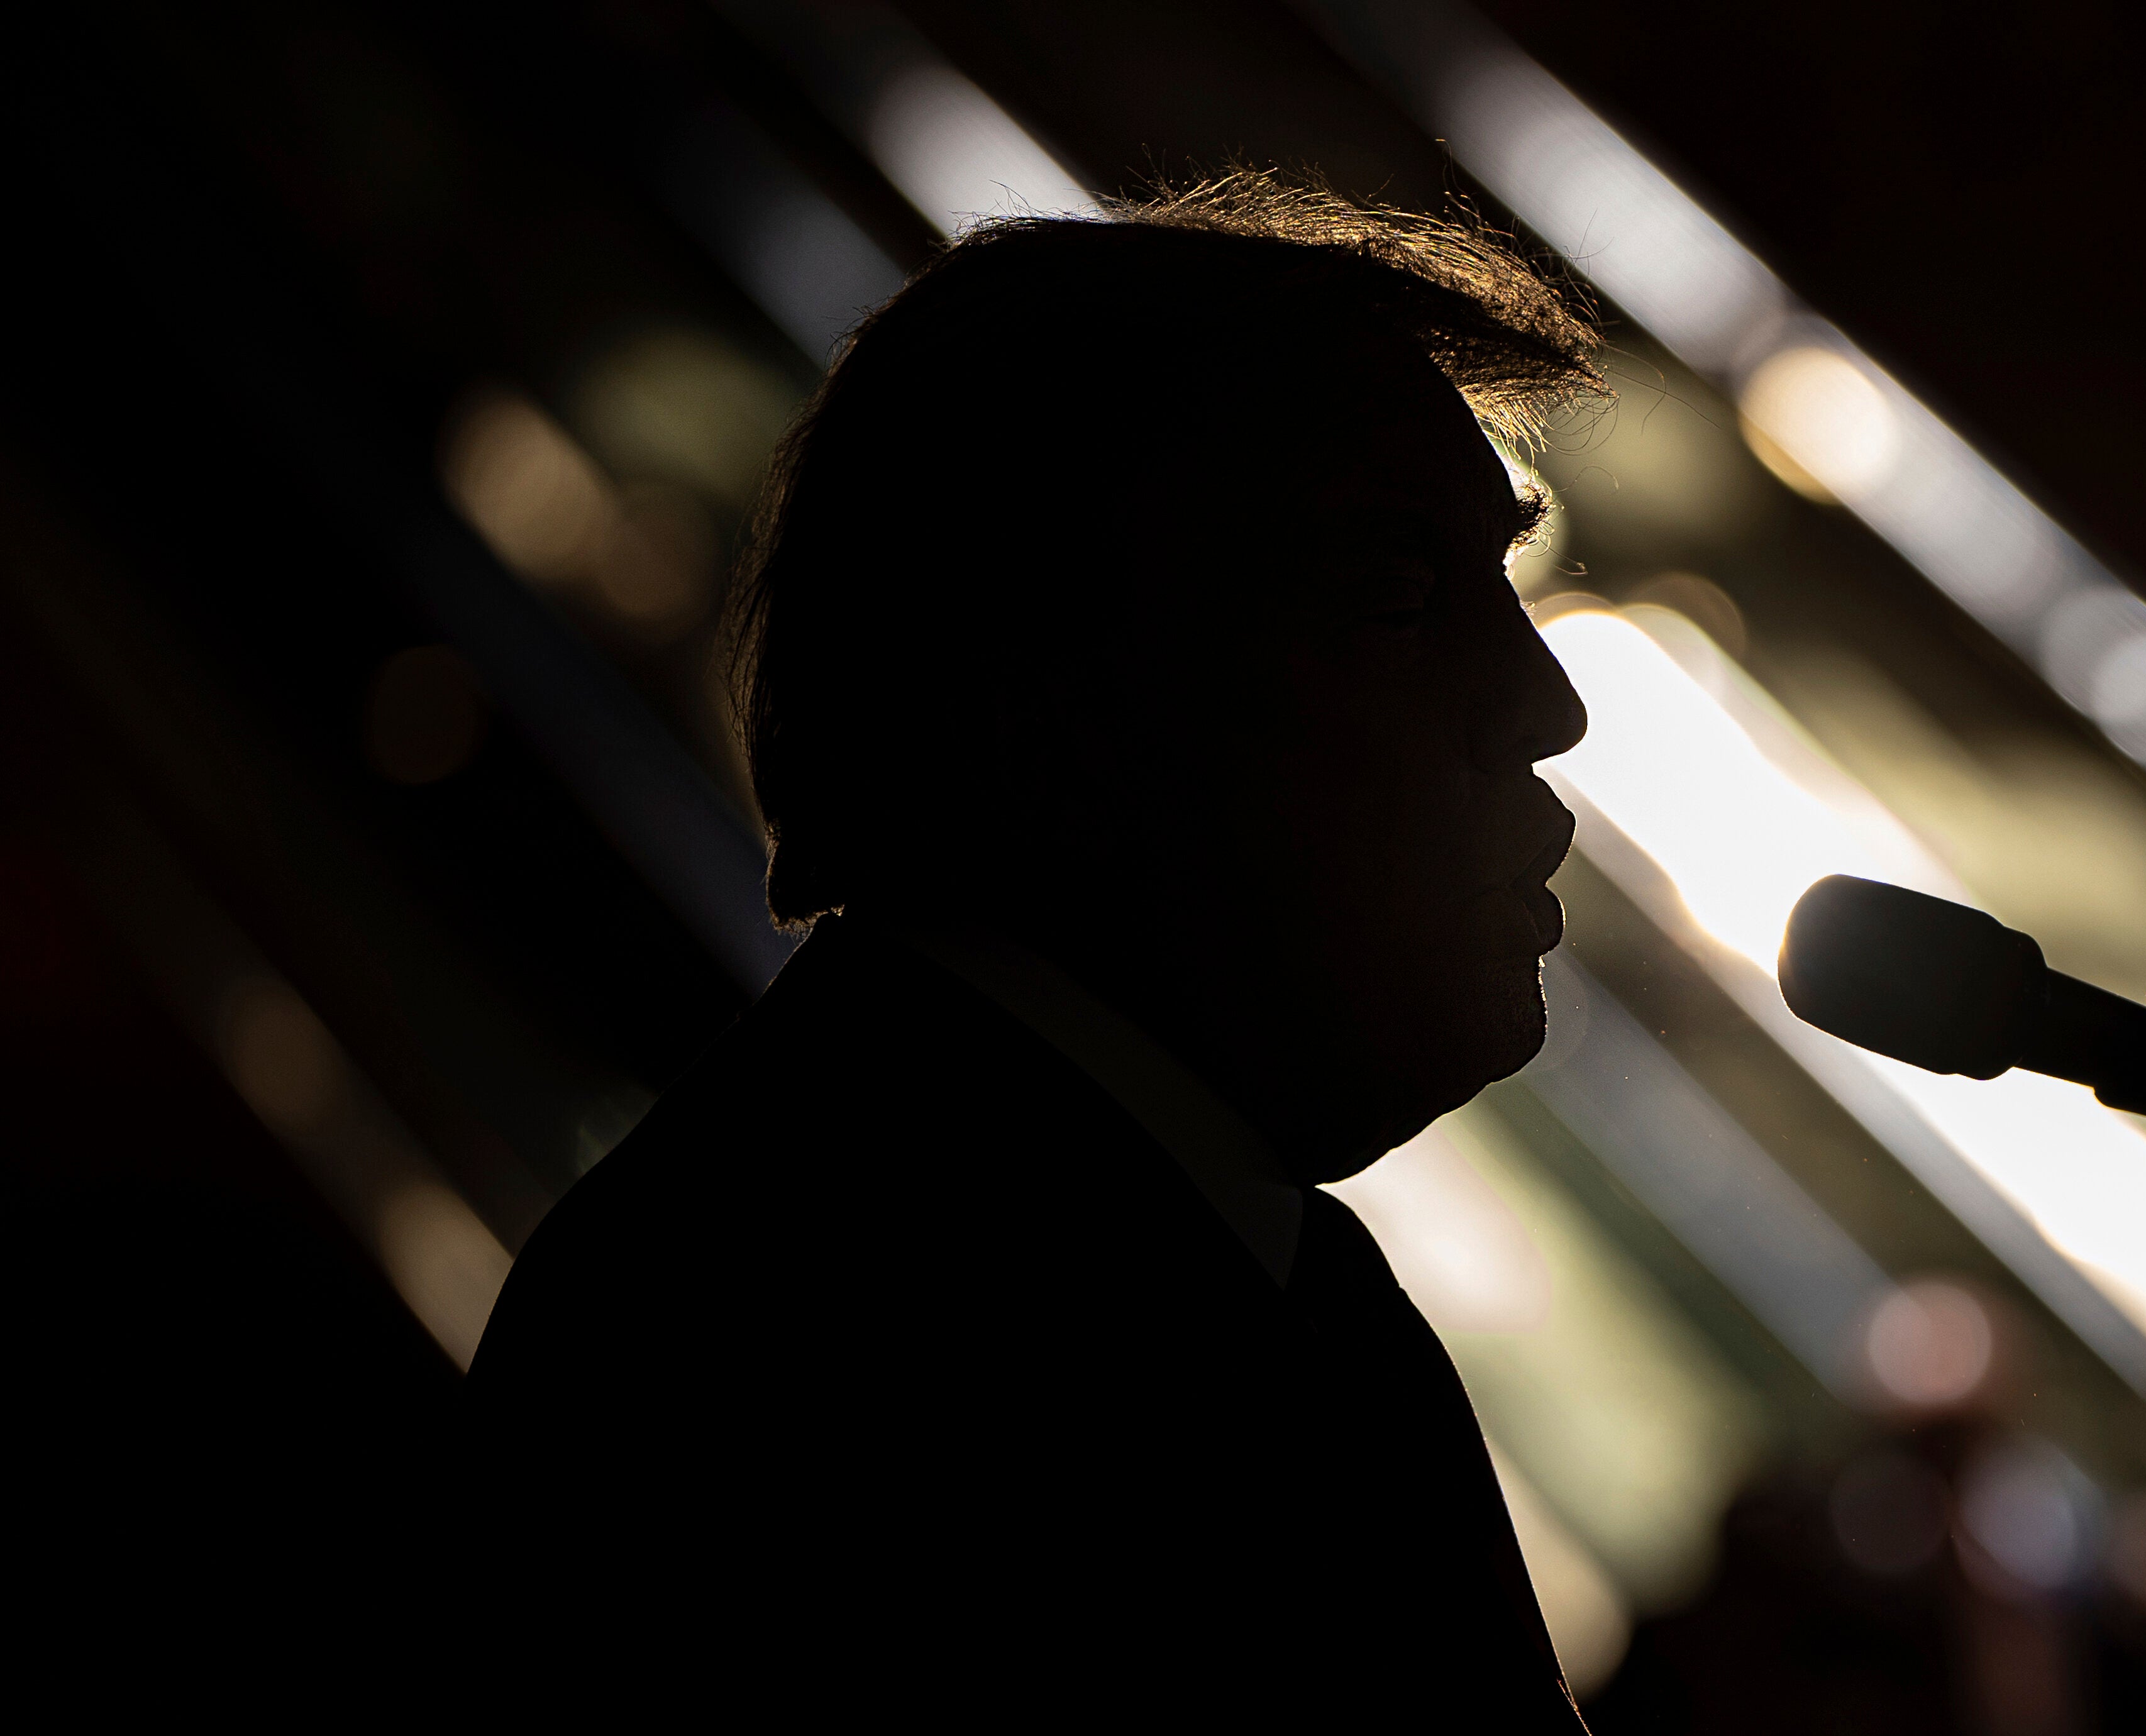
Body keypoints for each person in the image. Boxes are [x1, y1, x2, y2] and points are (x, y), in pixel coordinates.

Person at [466, 173, 1603, 1727]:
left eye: (1501, 580)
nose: (1546, 706)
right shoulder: (812, 1334)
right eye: (1398, 601)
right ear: (1048, 709)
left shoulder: (1214, 1253)